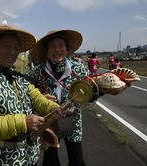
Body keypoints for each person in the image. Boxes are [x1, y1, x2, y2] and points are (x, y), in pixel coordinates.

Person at [0, 24, 68, 166]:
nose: (13, 51)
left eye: (17, 47)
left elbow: (35, 95)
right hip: (6, 159)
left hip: (30, 155)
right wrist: (22, 122)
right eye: (7, 46)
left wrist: (51, 107)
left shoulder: (17, 76)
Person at [27, 29, 126, 166]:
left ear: (67, 48)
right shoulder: (36, 72)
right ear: (46, 50)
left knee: (77, 161)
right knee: (50, 161)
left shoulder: (79, 69)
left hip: (73, 121)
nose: (57, 49)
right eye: (52, 46)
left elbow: (88, 95)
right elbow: (26, 97)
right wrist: (40, 98)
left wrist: (103, 91)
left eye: (61, 45)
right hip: (48, 122)